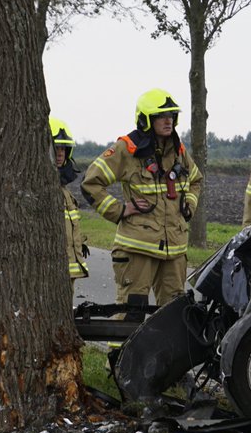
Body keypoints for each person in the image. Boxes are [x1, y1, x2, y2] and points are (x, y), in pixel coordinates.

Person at [81, 88, 203, 318]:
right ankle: (120, 355)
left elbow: (195, 179)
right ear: (146, 119)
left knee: (173, 317)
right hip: (137, 249)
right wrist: (119, 210)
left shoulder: (178, 151)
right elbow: (91, 182)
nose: (169, 120)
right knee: (131, 314)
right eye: (161, 116)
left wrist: (190, 205)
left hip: (175, 251)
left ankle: (164, 356)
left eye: (171, 115)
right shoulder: (126, 150)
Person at [50, 116, 88, 295]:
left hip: (67, 269)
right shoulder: (43, 189)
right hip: (51, 270)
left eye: (63, 149)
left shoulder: (63, 189)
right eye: (55, 148)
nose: (60, 153)